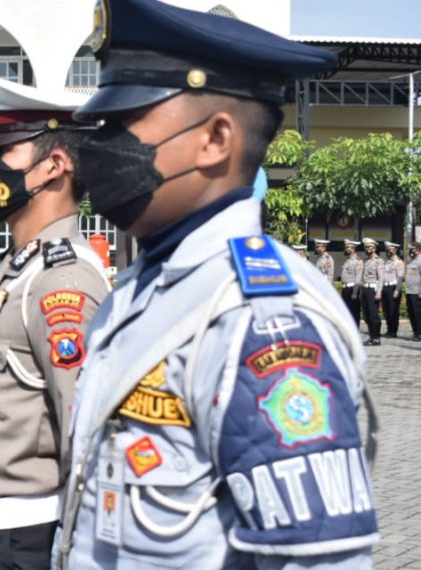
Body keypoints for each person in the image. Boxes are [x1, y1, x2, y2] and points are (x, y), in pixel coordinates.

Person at [56, 1, 378, 567]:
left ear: (216, 139)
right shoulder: (142, 289)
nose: (98, 146)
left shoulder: (259, 320)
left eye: (123, 123)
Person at [0, 73, 110, 569]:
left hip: (30, 542)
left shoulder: (63, 282)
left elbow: (84, 435)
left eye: (2, 157)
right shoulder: (19, 267)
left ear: (53, 167)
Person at [359, 237, 385, 346]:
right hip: (365, 289)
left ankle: (376, 338)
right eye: (366, 247)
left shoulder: (379, 261)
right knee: (367, 315)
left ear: (374, 248)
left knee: (374, 315)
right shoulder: (366, 261)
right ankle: (371, 336)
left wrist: (379, 292)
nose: (367, 249)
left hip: (373, 290)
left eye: (369, 247)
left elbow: (381, 278)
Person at [382, 241, 405, 338]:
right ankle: (389, 329)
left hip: (393, 288)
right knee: (386, 310)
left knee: (393, 311)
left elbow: (400, 278)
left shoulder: (399, 262)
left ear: (395, 250)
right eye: (387, 249)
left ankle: (393, 331)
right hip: (385, 288)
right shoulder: (386, 262)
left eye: (390, 249)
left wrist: (397, 290)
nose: (388, 251)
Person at [341, 238, 364, 324]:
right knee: (346, 311)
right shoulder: (347, 261)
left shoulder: (358, 261)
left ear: (353, 248)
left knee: (354, 311)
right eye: (346, 247)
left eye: (348, 247)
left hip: (352, 288)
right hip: (345, 288)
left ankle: (355, 329)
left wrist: (355, 292)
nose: (346, 249)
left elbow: (358, 277)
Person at [406, 242, 421, 341]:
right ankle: (415, 332)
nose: (412, 251)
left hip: (417, 291)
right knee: (411, 313)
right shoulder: (412, 261)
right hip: (409, 291)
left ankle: (420, 333)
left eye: (413, 249)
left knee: (418, 314)